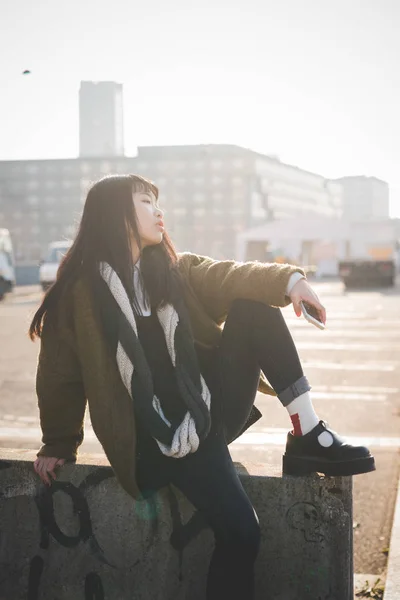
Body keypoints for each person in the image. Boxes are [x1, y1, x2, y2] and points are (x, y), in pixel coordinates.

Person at [30, 174, 375, 600]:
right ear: (116, 213)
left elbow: (229, 274)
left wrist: (291, 282)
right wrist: (58, 443)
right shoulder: (80, 295)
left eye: (158, 203)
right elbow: (59, 375)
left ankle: (308, 432)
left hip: (204, 415)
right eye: (145, 202)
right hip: (150, 442)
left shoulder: (174, 272)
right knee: (243, 533)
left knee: (253, 308)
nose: (159, 212)